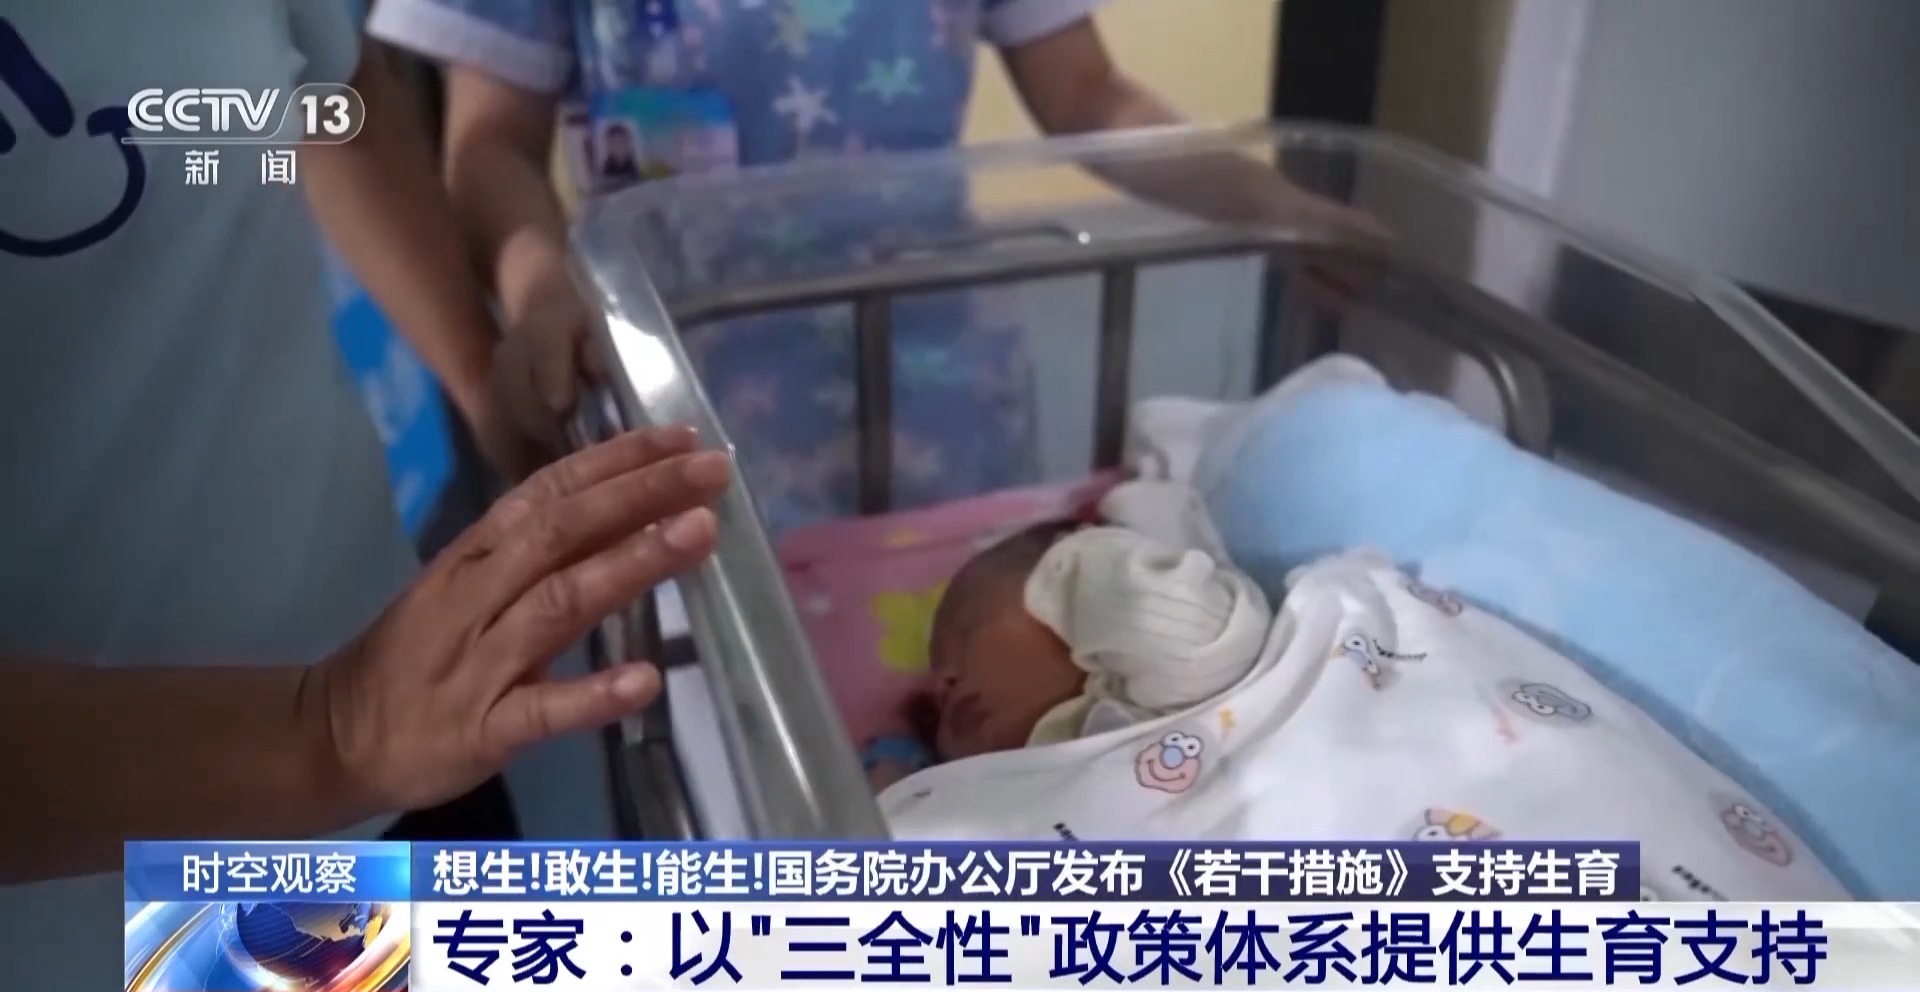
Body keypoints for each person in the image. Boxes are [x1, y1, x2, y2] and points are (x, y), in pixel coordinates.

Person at [0, 0, 669, 981]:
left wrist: (481, 377)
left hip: (384, 718)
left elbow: (324, 98)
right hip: (85, 895)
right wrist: (329, 730)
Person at [367, 0, 1380, 536]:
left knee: (963, 676)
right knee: (730, 726)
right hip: (685, 387)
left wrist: (1270, 200)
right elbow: (490, 144)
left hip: (937, 382)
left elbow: (1090, 94)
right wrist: (545, 292)